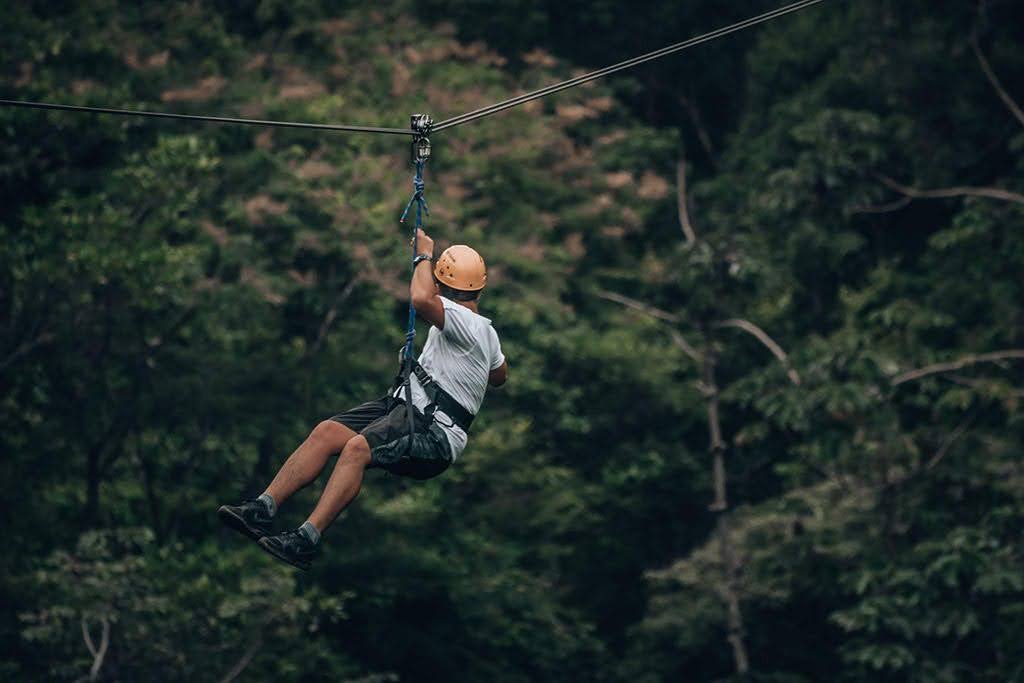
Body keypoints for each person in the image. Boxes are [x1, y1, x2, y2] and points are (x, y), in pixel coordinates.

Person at [217, 229, 508, 570]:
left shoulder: (463, 322)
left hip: (434, 431)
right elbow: (499, 376)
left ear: (443, 286)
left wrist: (424, 256)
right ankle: (262, 509)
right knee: (327, 432)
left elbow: (420, 299)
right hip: (406, 407)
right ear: (480, 288)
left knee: (357, 449)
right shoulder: (484, 333)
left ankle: (306, 539)